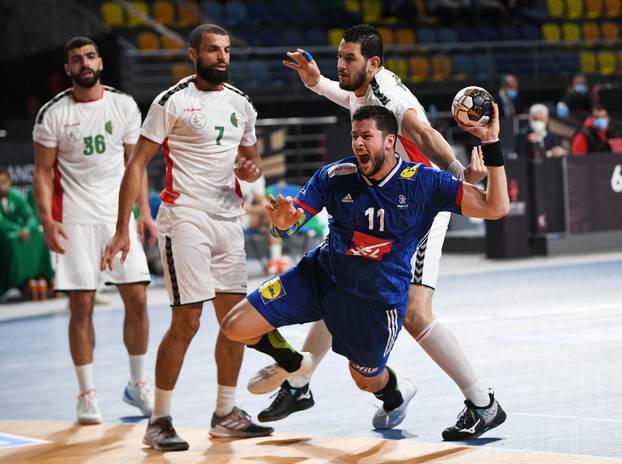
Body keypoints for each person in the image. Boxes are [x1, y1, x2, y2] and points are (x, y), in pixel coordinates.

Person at [250, 23, 502, 441]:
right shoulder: (367, 89)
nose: (340, 64)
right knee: (340, 278)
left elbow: (424, 134)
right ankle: (298, 386)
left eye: (348, 58)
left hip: (417, 206)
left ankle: (482, 403)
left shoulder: (393, 98)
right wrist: (317, 83)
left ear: (374, 62)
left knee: (416, 314)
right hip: (382, 200)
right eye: (339, 57)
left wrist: (462, 179)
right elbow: (352, 96)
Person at [101, 24, 273, 452]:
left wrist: (250, 170)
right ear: (193, 55)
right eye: (213, 50)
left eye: (227, 50)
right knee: (188, 320)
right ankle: (159, 421)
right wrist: (124, 227)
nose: (223, 57)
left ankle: (226, 413)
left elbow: (250, 161)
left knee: (235, 324)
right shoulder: (172, 100)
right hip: (185, 218)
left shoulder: (241, 104)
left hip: (228, 220)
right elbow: (136, 164)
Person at [32, 36, 157, 424]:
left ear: (100, 61)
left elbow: (134, 164)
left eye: (89, 56)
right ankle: (86, 395)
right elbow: (41, 172)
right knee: (81, 306)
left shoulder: (123, 105)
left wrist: (143, 213)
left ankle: (137, 385)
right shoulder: (52, 113)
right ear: (68, 69)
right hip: (73, 219)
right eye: (75, 59)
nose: (84, 63)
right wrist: (46, 220)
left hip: (116, 216)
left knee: (136, 299)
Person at [0, 170, 53, 299]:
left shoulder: (16, 196)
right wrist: (19, 230)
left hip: (20, 232)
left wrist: (27, 229)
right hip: (5, 235)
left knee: (39, 236)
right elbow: (2, 223)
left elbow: (31, 217)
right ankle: (13, 284)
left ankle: (42, 278)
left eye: (3, 182)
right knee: (12, 241)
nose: (1, 186)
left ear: (9, 183)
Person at [238, 176, 288, 274]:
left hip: (247, 216)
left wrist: (268, 206)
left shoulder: (256, 175)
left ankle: (275, 262)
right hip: (229, 218)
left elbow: (260, 199)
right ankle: (276, 260)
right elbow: (235, 207)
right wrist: (263, 209)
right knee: (270, 216)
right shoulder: (229, 171)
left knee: (271, 218)